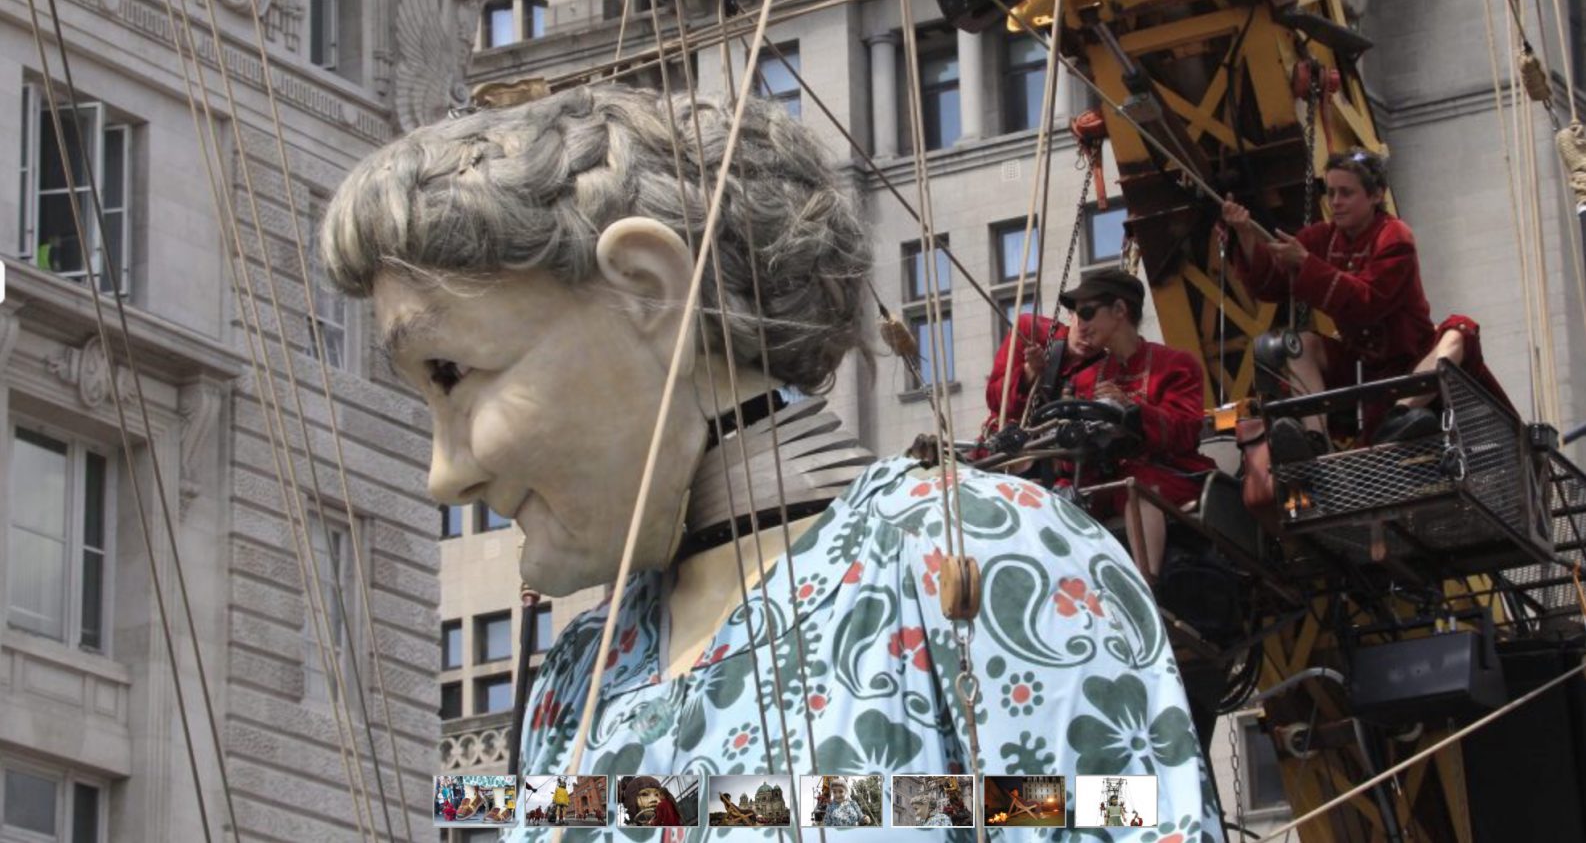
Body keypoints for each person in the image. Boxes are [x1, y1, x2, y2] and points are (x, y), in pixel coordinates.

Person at [319, 86, 1226, 842]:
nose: (447, 475)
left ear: (646, 286)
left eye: (454, 375)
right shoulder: (582, 676)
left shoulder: (988, 554)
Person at [1221, 148, 1512, 456]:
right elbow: (1271, 285)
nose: (1335, 202)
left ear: (1375, 196)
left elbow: (1368, 302)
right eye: (1331, 192)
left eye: (1346, 193)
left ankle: (1400, 416)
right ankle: (1314, 437)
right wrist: (1246, 236)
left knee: (1460, 329)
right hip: (1363, 365)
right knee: (1299, 343)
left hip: (1413, 360)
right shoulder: (1321, 238)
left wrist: (1307, 264)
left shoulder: (1394, 236)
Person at [1058, 269, 1215, 579]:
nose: (1080, 324)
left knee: (1136, 483)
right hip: (1105, 484)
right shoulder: (1082, 379)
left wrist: (1132, 410)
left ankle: (1147, 591)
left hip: (1168, 475)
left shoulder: (1176, 364)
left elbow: (1184, 430)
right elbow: (1070, 459)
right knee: (1059, 495)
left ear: (1119, 310)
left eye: (1087, 312)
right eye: (1076, 314)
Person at [983, 311, 1099, 430]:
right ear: (1071, 313)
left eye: (1098, 333)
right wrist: (1029, 371)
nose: (1088, 341)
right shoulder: (1031, 329)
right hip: (1008, 440)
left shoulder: (1107, 363)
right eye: (1084, 328)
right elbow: (995, 400)